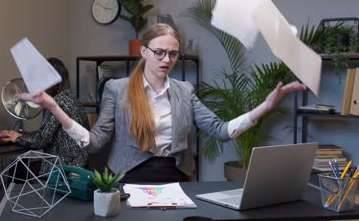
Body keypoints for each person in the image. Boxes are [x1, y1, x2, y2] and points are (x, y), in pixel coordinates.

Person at [16, 24, 306, 183]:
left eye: (173, 54)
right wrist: (54, 107)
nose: (166, 59)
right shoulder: (117, 90)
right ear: (144, 51)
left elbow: (221, 130)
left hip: (176, 176)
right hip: (129, 177)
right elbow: (93, 143)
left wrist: (266, 105)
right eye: (159, 52)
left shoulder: (184, 90)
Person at [0, 57, 89, 173]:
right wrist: (21, 135)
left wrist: (18, 137)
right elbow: (47, 133)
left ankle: (13, 191)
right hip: (79, 163)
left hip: (63, 167)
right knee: (22, 166)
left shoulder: (56, 103)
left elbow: (42, 139)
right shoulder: (71, 98)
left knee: (17, 168)